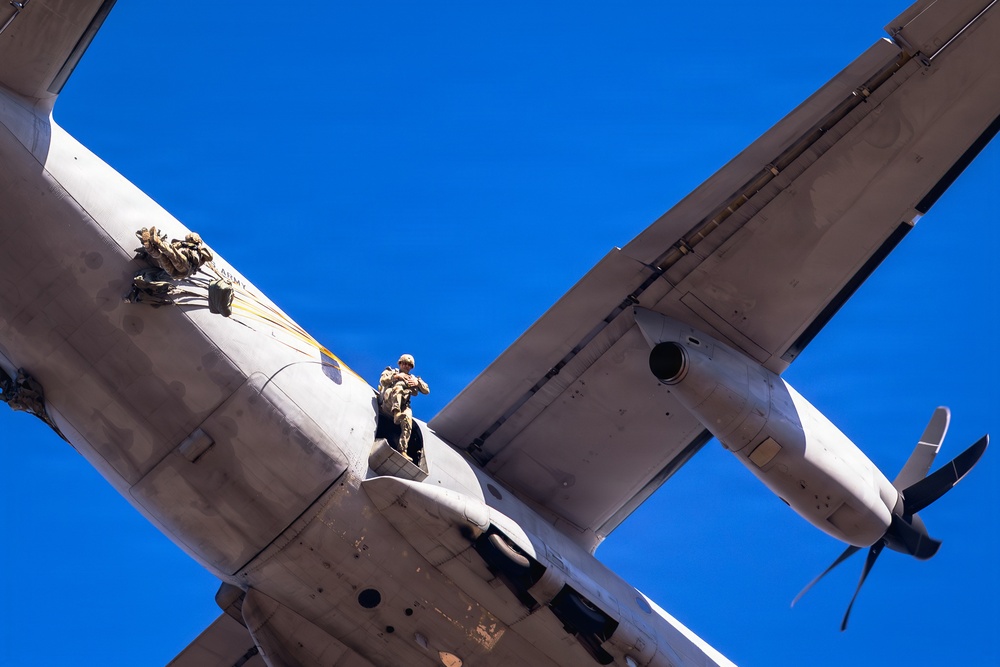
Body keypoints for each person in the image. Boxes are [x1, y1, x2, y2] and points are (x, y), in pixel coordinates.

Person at [379, 354, 429, 459]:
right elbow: (383, 380)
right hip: (389, 402)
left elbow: (426, 391)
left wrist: (417, 383)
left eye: (409, 365)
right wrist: (396, 377)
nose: (406, 366)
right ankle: (396, 412)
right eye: (404, 363)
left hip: (403, 405)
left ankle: (402, 449)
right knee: (398, 388)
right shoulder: (392, 371)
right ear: (400, 363)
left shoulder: (413, 378)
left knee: (408, 421)